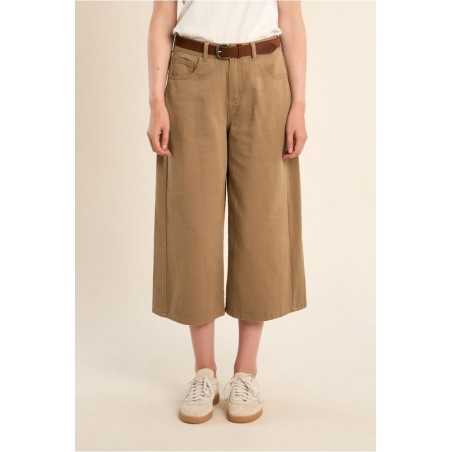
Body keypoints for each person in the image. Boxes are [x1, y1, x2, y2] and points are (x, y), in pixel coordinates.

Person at [147, 0, 307, 424]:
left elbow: (291, 18)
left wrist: (299, 103)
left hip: (264, 72)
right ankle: (204, 371)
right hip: (192, 72)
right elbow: (162, 17)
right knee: (192, 223)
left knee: (261, 223)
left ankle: (245, 372)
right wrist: (156, 101)